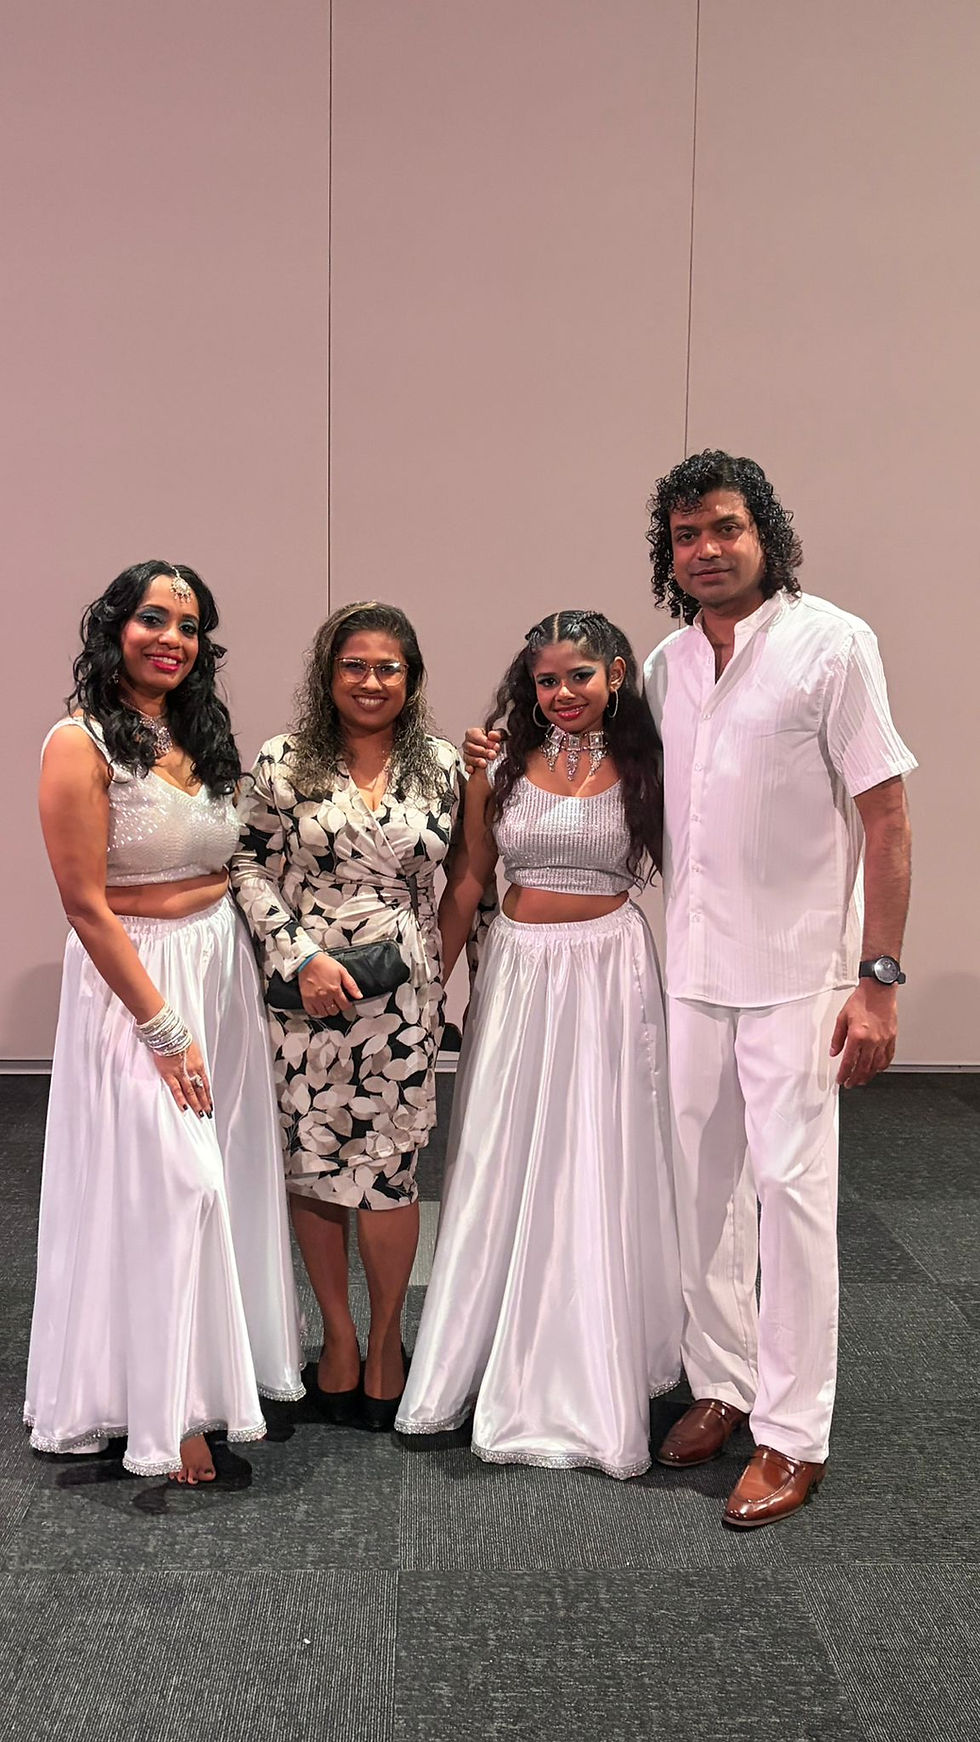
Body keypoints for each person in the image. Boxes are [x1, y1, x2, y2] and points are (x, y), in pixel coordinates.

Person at [643, 450, 915, 1526]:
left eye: (725, 528)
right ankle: (722, 1379)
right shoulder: (667, 664)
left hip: (800, 975)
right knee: (699, 1189)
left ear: (764, 533)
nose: (706, 550)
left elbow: (886, 819)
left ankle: (793, 1432)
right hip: (693, 970)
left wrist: (877, 980)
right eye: (685, 536)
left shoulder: (831, 644)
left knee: (792, 1201)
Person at [25, 561, 304, 1487]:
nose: (171, 640)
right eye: (153, 619)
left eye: (188, 626)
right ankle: (168, 1405)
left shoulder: (199, 734)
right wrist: (162, 1028)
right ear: (114, 628)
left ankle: (214, 1380)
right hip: (137, 979)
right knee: (171, 1184)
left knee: (222, 1172)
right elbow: (84, 903)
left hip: (217, 963)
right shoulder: (78, 743)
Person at [396, 610, 683, 1479]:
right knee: (503, 1153)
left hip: (610, 973)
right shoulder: (497, 763)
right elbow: (471, 876)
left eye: (579, 676)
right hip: (521, 972)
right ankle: (483, 1350)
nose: (561, 694)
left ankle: (594, 1366)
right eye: (546, 680)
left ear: (617, 675)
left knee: (601, 1154)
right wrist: (431, 985)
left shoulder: (654, 762)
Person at [230, 602, 472, 1432]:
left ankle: (387, 1338)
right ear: (327, 674)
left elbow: (464, 879)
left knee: (391, 1172)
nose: (371, 682)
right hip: (310, 994)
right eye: (354, 666)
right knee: (315, 1162)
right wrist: (299, 956)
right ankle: (336, 1336)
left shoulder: (441, 766)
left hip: (401, 1002)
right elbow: (246, 864)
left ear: (412, 678)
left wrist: (434, 972)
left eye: (388, 668)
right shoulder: (283, 759)